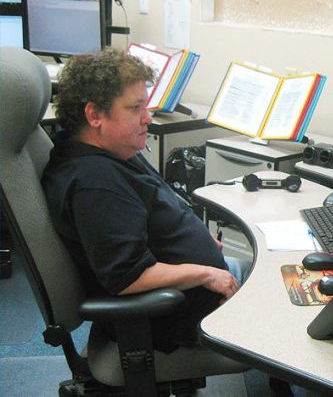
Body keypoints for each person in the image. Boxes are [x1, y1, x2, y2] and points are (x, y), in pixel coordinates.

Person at [42, 48, 249, 353]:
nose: (147, 118)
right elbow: (128, 276)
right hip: (178, 314)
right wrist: (206, 272)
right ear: (94, 115)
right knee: (291, 295)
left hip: (200, 285)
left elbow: (153, 204)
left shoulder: (111, 151)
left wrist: (199, 238)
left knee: (282, 277)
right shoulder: (95, 183)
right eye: (136, 108)